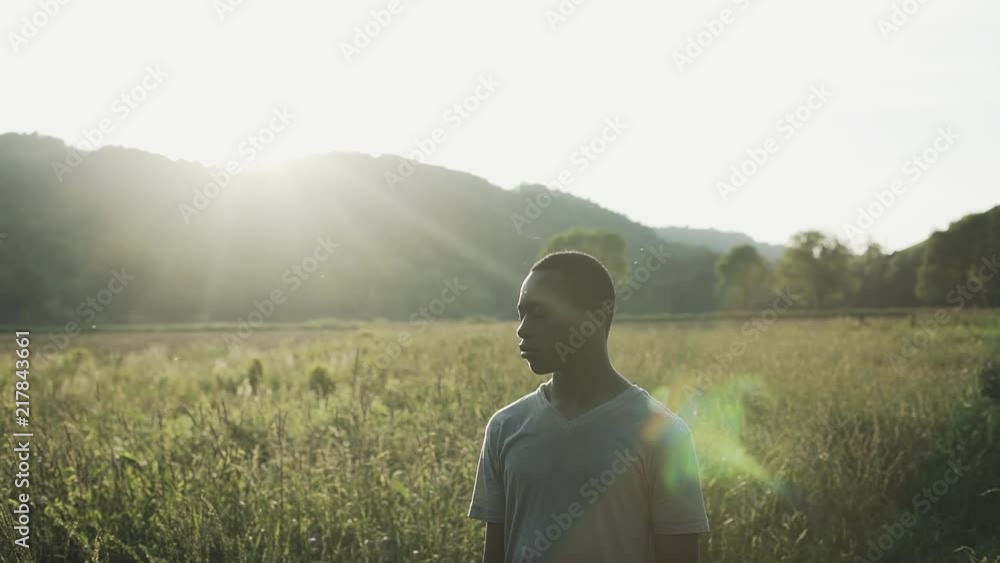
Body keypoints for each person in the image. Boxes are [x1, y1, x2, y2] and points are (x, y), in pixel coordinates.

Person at [468, 251, 710, 563]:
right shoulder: (506, 427)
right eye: (521, 314)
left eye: (540, 313)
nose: (522, 329)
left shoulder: (665, 434)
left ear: (595, 317)